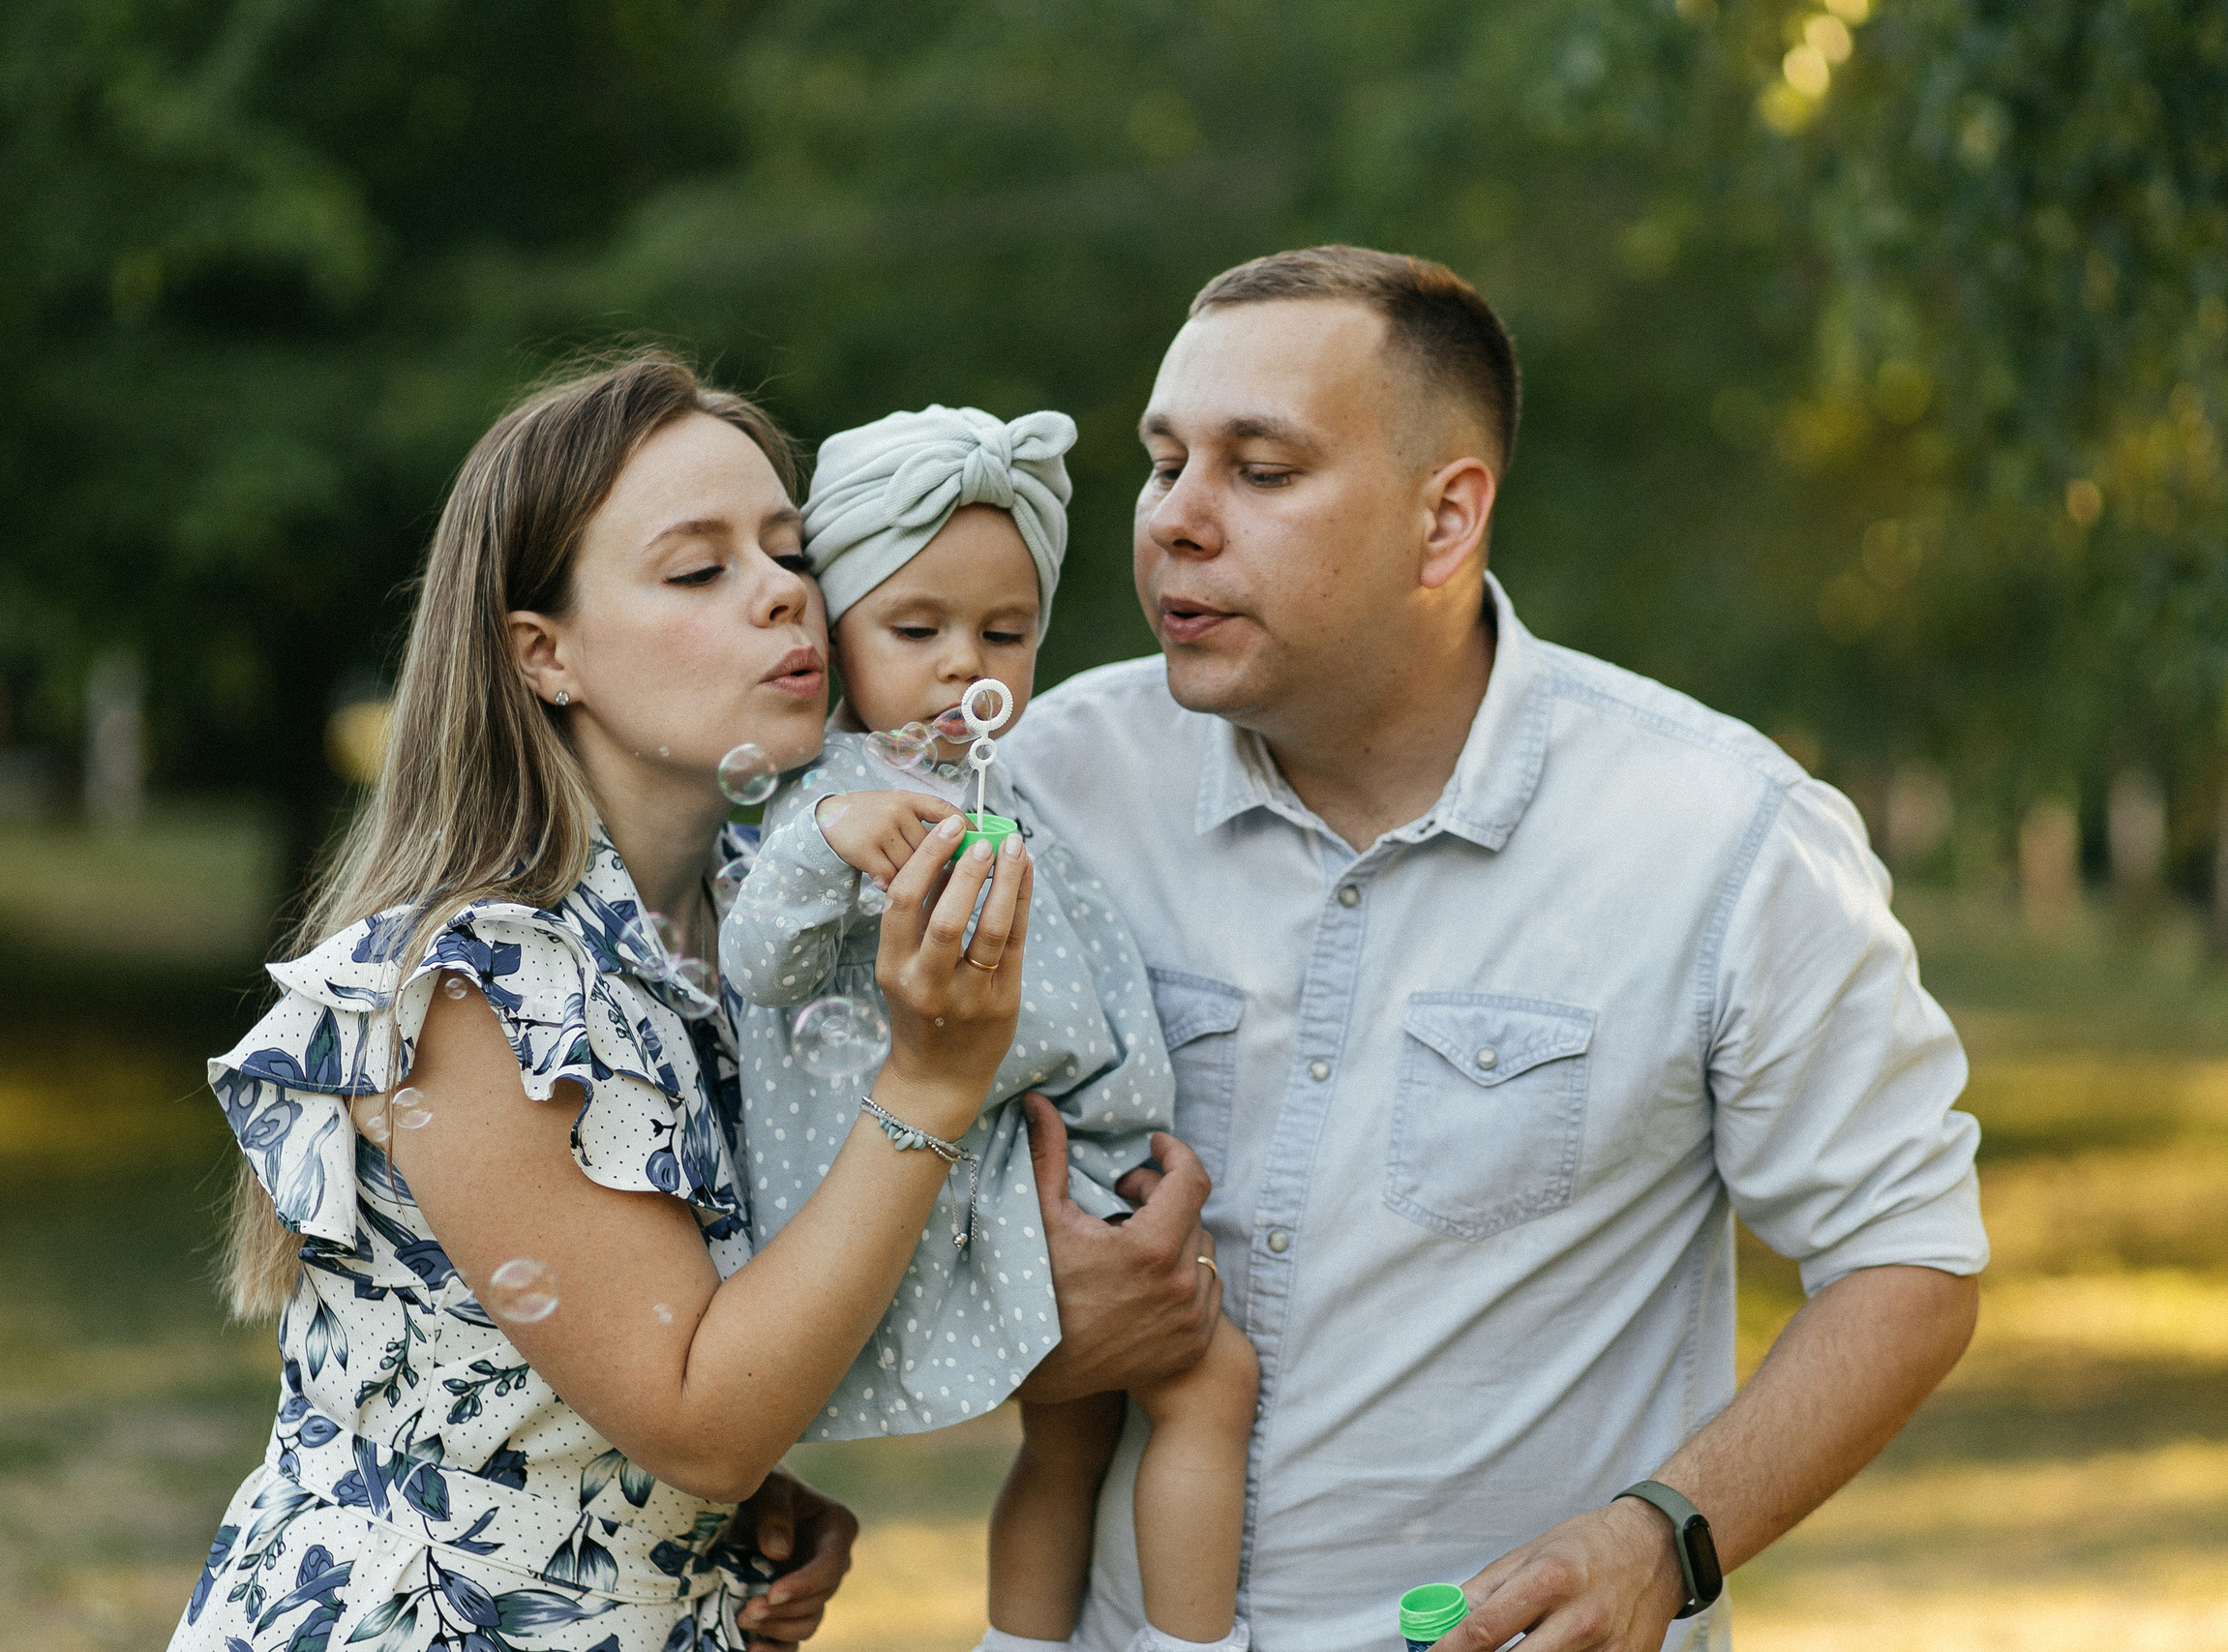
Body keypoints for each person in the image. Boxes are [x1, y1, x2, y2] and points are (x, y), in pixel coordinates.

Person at [999, 247, 1989, 1652]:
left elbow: (1909, 1262)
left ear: (1446, 518)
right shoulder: (1045, 790)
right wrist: (1020, 1308)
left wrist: (1667, 1536)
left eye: (1260, 470)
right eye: (1166, 465)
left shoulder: (1724, 836)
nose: (1176, 521)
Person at [174, 350, 1036, 1652]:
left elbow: (662, 1389)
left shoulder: (763, 920)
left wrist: (706, 1514)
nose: (784, 595)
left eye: (789, 552)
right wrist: (932, 1079)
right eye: (699, 570)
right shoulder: (477, 984)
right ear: (546, 654)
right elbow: (702, 1414)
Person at [721, 405, 1259, 1652]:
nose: (965, 665)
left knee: (1073, 1432)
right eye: (916, 631)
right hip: (957, 1181)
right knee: (1211, 1377)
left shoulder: (986, 783)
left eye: (1004, 634)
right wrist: (821, 844)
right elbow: (760, 960)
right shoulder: (836, 794)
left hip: (1028, 1156)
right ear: (833, 634)